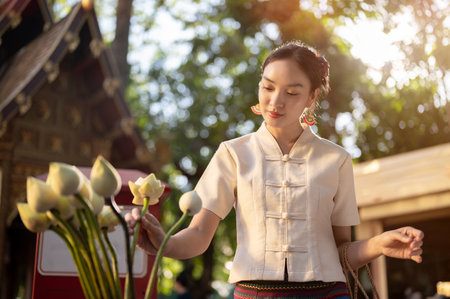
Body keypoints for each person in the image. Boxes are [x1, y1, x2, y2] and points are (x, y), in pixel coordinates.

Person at [125, 40, 424, 298]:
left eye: (292, 93)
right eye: (268, 87)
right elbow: (199, 234)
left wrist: (378, 244)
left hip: (327, 295)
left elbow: (342, 252)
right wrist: (161, 242)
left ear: (311, 98)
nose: (275, 101)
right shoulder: (233, 153)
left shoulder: (337, 159)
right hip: (254, 296)